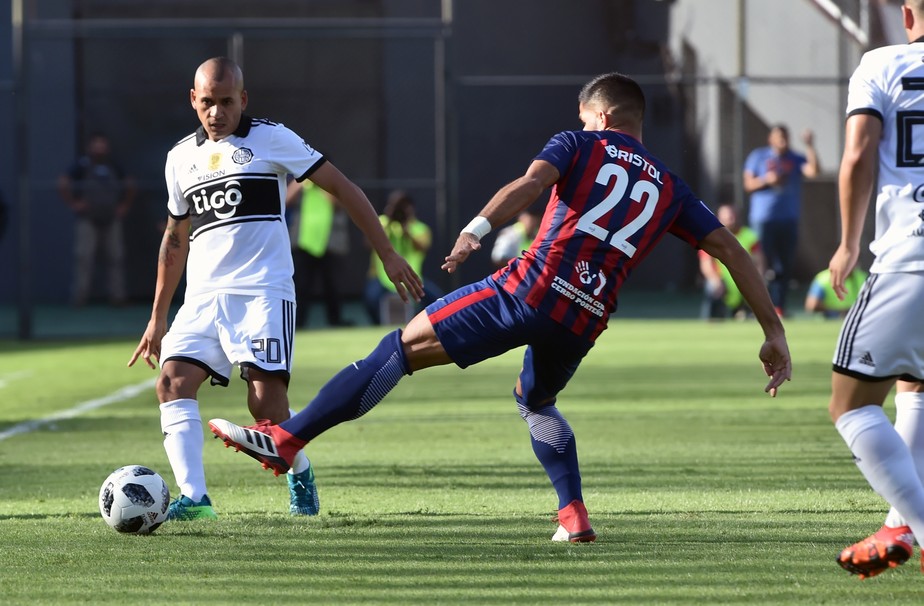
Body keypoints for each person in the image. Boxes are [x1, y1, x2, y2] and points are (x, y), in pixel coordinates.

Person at [207, 72, 791, 542]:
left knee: (401, 348)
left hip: (531, 288)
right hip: (585, 317)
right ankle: (573, 515)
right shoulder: (669, 184)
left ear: (603, 118)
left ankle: (288, 440)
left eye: (585, 116)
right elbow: (732, 251)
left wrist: (477, 228)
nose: (580, 124)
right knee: (536, 399)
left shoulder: (578, 144)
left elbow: (531, 184)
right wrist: (773, 332)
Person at [127, 57, 423, 521]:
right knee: (171, 382)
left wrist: (386, 251)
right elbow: (174, 237)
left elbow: (342, 188)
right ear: (193, 100)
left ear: (243, 99)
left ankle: (299, 471)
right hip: (202, 298)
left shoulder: (272, 138)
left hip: (262, 291)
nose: (217, 112)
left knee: (266, 406)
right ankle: (195, 499)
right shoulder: (179, 158)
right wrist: (158, 315)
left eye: (227, 102)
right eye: (207, 103)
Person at [827, 0, 924, 580]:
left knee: (850, 404)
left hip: (911, 256)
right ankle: (898, 524)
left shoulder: (882, 64)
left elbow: (859, 152)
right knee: (914, 380)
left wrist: (847, 243)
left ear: (909, 14)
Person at [743, 123, 819, 317]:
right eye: (778, 136)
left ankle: (779, 308)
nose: (782, 139)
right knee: (761, 265)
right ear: (770, 138)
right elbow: (748, 184)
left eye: (785, 135)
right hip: (763, 219)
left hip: (788, 220)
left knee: (784, 266)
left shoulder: (795, 158)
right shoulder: (758, 156)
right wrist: (767, 180)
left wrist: (810, 145)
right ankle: (759, 308)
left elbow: (813, 171)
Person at [57, 133, 136, 306]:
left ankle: (118, 297)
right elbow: (63, 182)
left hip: (111, 218)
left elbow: (130, 183)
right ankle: (79, 298)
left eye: (102, 144)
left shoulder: (113, 165)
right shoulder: (81, 165)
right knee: (83, 257)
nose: (99, 148)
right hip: (88, 219)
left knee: (116, 257)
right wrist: (74, 203)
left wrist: (124, 206)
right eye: (96, 144)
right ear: (90, 146)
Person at [364, 190, 441, 324]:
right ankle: (377, 325)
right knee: (371, 298)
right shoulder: (381, 223)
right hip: (381, 277)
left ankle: (423, 325)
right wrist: (388, 222)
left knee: (437, 300)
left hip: (411, 276)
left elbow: (422, 247)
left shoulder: (420, 228)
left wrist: (406, 229)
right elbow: (368, 243)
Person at [286, 178, 352, 328]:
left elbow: (340, 204)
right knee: (300, 287)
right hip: (303, 243)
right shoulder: (303, 184)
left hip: (329, 245)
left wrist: (322, 184)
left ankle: (335, 321)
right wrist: (301, 182)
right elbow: (286, 200)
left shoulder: (333, 185)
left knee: (332, 286)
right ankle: (297, 324)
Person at [698, 203, 764, 320]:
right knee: (712, 287)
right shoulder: (710, 236)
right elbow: (706, 263)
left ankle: (746, 313)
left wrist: (757, 279)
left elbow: (759, 261)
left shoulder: (749, 235)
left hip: (744, 280)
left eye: (732, 217)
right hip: (723, 283)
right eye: (726, 218)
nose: (730, 220)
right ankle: (713, 318)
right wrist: (716, 280)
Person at [803, 267, 868, 318]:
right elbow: (811, 306)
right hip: (828, 319)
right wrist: (837, 312)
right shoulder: (823, 279)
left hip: (858, 316)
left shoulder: (863, 277)